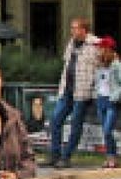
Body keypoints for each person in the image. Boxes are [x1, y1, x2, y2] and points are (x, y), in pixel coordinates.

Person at [43, 18, 100, 168]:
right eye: (72, 28)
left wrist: (94, 91)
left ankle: (66, 156)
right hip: (67, 89)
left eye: (75, 28)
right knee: (55, 120)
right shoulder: (71, 43)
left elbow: (101, 68)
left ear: (84, 30)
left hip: (82, 91)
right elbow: (66, 65)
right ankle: (54, 154)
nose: (72, 31)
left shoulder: (96, 45)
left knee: (76, 124)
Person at [93, 36, 121, 169]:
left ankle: (113, 156)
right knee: (105, 131)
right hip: (100, 99)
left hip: (111, 100)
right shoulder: (99, 64)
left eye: (102, 48)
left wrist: (116, 96)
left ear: (109, 49)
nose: (100, 51)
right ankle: (109, 157)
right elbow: (97, 81)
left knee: (108, 129)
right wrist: (95, 93)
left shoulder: (117, 65)